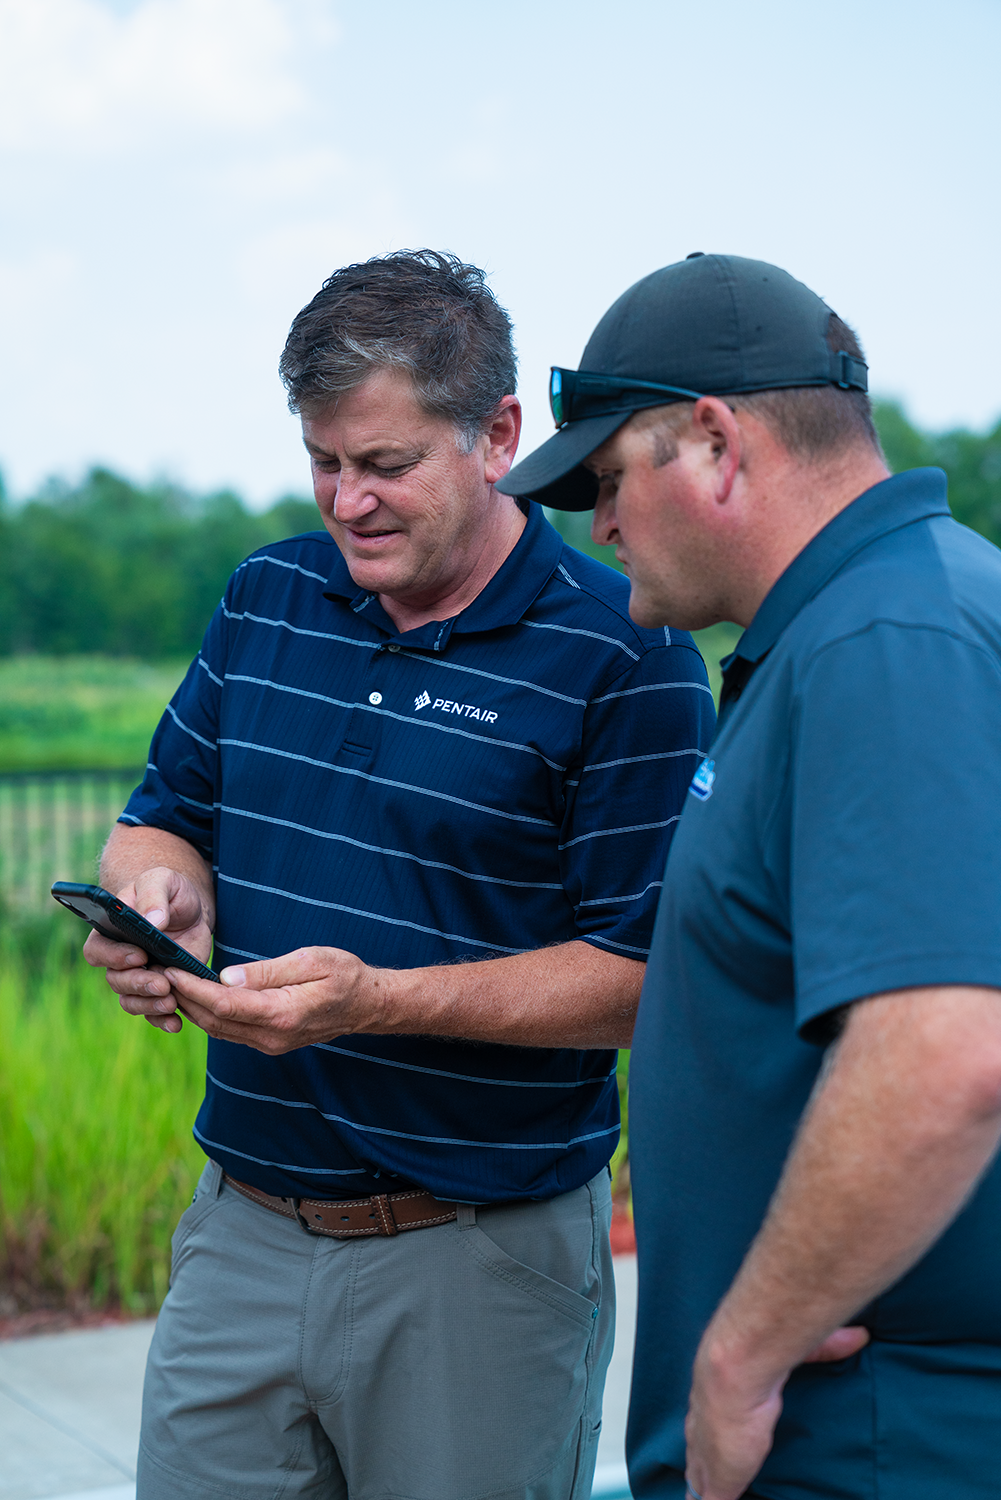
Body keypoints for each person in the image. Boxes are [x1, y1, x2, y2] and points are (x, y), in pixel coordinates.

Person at [84, 250, 715, 1500]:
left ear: (495, 435)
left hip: (475, 1261)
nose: (346, 500)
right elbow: (158, 819)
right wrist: (157, 898)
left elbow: (643, 982)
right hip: (240, 1235)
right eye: (324, 460)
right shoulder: (267, 594)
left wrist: (373, 998)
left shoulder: (622, 656)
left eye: (384, 465)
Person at [497, 252, 1001, 1500]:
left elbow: (944, 1053)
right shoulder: (884, 613)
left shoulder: (885, 640)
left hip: (865, 1436)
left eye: (609, 481)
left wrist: (738, 1357)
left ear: (715, 443)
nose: (600, 527)